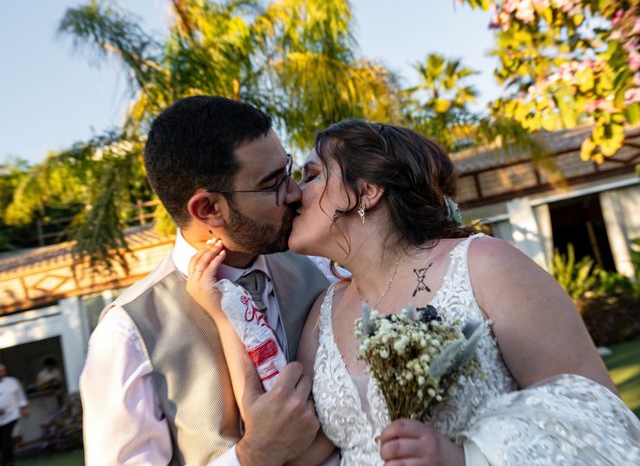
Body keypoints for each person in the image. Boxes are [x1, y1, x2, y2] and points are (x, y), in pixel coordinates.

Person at [188, 119, 640, 465]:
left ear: (366, 191)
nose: (294, 195)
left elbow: (595, 413)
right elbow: (295, 446)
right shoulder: (323, 313)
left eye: (311, 176)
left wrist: (465, 459)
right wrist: (227, 312)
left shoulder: (483, 265)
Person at [80, 96, 332, 466]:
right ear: (208, 209)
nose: (295, 193)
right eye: (272, 184)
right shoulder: (126, 336)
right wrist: (252, 456)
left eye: (288, 171)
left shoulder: (321, 266)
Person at [0, 364, 28, 466]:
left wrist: (24, 408)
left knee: (7, 440)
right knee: (3, 442)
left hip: (12, 416)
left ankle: (8, 462)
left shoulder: (12, 381)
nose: (2, 373)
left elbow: (20, 396)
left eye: (3, 371)